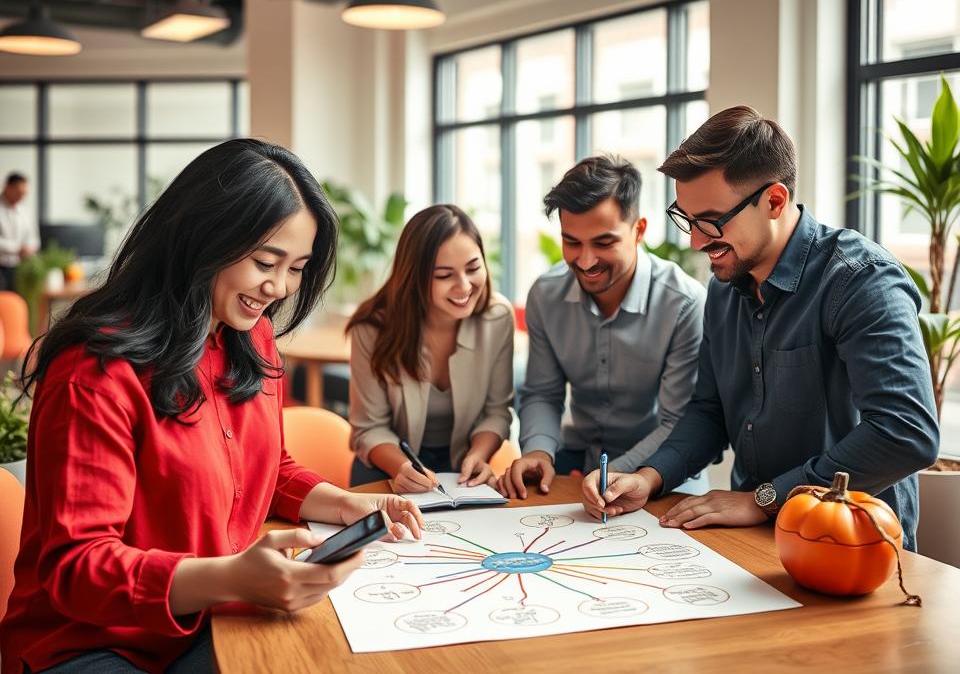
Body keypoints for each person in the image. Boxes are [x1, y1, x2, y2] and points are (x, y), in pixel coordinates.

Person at [0, 140, 424, 674]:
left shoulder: (251, 336)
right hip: (90, 645)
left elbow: (263, 470)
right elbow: (78, 568)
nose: (279, 287)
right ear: (203, 238)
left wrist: (344, 506)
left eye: (297, 267)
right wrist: (230, 577)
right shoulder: (96, 369)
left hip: (210, 621)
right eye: (265, 262)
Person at [580, 106, 940, 551]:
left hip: (853, 545)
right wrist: (649, 477)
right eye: (686, 219)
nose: (695, 241)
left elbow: (906, 433)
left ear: (774, 201)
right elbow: (709, 412)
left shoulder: (860, 280)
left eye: (711, 221)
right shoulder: (723, 287)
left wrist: (766, 499)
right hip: (753, 538)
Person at [498, 155, 707, 499]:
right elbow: (542, 393)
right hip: (576, 466)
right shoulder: (546, 296)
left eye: (603, 243)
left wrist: (617, 475)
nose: (585, 260)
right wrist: (538, 451)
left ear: (638, 230)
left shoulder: (682, 303)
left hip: (661, 472)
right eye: (572, 242)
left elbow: (678, 422)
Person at [347, 204, 514, 492]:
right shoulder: (372, 327)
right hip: (387, 465)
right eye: (444, 275)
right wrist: (402, 467)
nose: (464, 286)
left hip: (461, 467)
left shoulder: (497, 319)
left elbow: (497, 411)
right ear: (415, 277)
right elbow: (369, 428)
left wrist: (478, 454)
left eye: (473, 268)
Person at [0, 172, 39, 292]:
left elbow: (34, 238)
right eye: (19, 192)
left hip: (20, 267)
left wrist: (30, 248)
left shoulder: (25, 210)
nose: (21, 197)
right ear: (8, 187)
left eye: (24, 194)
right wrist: (17, 248)